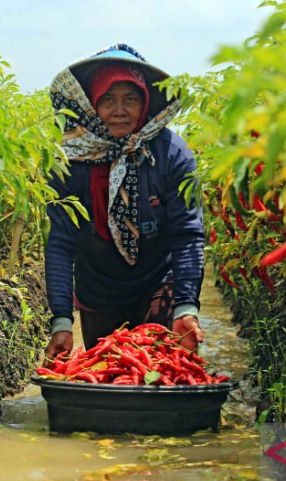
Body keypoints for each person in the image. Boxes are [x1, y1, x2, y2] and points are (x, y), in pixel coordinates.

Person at [43, 44, 204, 360]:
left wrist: (186, 306)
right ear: (91, 105)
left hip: (159, 282)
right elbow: (61, 243)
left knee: (161, 369)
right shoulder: (71, 160)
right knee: (107, 369)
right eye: (107, 100)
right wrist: (61, 321)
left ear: (144, 103)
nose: (120, 110)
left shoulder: (172, 155)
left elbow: (187, 234)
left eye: (130, 99)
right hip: (98, 289)